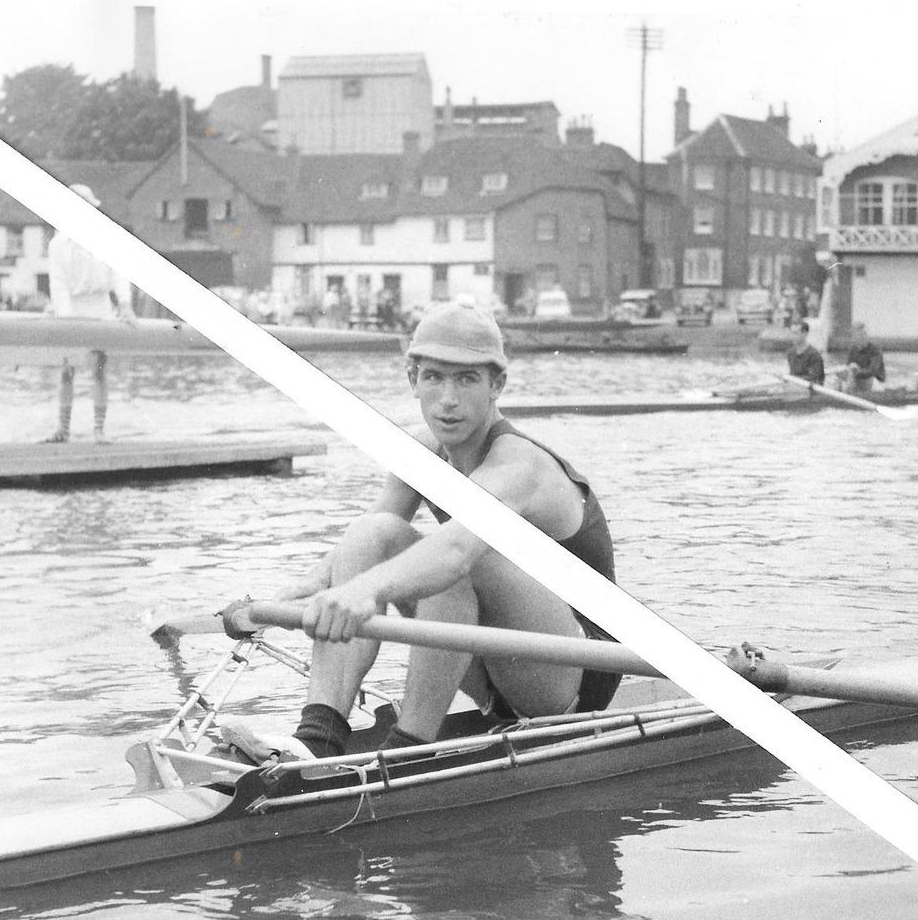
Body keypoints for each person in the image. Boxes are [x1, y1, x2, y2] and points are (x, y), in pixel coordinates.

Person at [220, 302, 622, 767]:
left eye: (466, 379)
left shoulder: (518, 465)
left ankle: (410, 749)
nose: (447, 399)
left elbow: (453, 553)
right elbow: (363, 546)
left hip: (576, 675)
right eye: (433, 377)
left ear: (497, 385)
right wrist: (299, 593)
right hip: (499, 665)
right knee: (375, 532)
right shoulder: (420, 453)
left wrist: (364, 591)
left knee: (458, 557)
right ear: (412, 380)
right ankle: (319, 736)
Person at [43, 185, 136, 443]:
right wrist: (66, 318)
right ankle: (63, 430)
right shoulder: (58, 244)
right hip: (72, 307)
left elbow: (119, 273)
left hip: (100, 306)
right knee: (67, 370)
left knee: (99, 368)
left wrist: (125, 304)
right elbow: (58, 284)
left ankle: (99, 429)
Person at [833, 322, 886, 392]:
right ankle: (837, 397)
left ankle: (850, 394)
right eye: (860, 335)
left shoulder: (875, 350)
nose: (863, 337)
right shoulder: (853, 350)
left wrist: (856, 372)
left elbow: (873, 371)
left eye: (864, 334)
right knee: (837, 378)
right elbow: (848, 367)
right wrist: (842, 372)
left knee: (852, 376)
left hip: (874, 381)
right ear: (854, 337)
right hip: (858, 378)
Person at [785, 320, 826, 385]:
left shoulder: (814, 354)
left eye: (795, 333)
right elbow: (792, 373)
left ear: (804, 334)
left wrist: (793, 380)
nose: (792, 336)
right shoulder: (790, 353)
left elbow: (816, 378)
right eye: (791, 333)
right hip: (794, 387)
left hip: (810, 389)